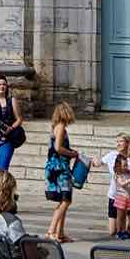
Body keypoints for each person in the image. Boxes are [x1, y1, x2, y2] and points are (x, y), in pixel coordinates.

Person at [44, 101, 79, 243]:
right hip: (59, 168)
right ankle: (51, 231)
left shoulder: (59, 127)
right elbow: (58, 148)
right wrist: (72, 153)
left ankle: (60, 233)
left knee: (65, 199)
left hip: (59, 167)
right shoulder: (60, 127)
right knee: (65, 200)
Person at [102, 134, 130, 239]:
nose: (118, 144)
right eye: (117, 141)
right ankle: (121, 229)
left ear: (127, 143)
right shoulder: (112, 155)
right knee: (112, 231)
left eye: (121, 141)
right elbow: (98, 162)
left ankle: (129, 227)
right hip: (115, 196)